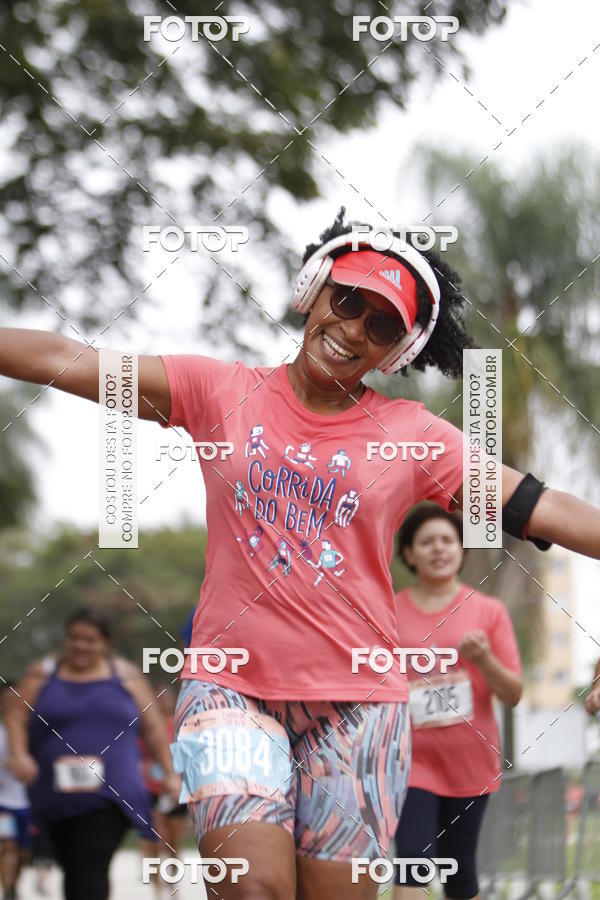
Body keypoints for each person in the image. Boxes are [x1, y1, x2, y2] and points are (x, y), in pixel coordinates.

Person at [0, 208, 598, 899]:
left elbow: (544, 509)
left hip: (360, 708)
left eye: (381, 325)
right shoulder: (219, 392)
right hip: (232, 691)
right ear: (314, 289)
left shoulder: (414, 435)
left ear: (396, 351)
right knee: (254, 887)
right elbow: (59, 359)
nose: (353, 329)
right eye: (347, 301)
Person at [4, 607, 180, 900]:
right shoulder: (41, 674)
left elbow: (152, 729)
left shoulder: (127, 676)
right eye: (74, 638)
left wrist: (170, 774)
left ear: (105, 643)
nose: (80, 646)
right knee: (73, 866)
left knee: (91, 861)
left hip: (112, 792)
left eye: (90, 640)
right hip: (54, 793)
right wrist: (20, 755)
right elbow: (15, 717)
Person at [393, 505, 522, 900]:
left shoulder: (488, 612)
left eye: (447, 540)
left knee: (459, 872)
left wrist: (483, 659)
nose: (438, 549)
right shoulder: (388, 611)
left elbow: (513, 693)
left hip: (470, 761)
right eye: (427, 541)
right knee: (412, 861)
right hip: (409, 761)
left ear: (461, 551)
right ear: (409, 553)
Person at [139, 684, 189, 899]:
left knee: (174, 845)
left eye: (166, 698)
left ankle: (174, 886)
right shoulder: (145, 728)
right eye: (158, 698)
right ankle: (157, 890)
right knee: (155, 842)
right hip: (151, 790)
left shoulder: (179, 726)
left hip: (175, 791)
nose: (162, 702)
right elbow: (135, 757)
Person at [0, 682, 32, 900]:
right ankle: (8, 892)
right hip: (2, 801)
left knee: (23, 853)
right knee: (7, 847)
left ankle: (14, 885)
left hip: (28, 802)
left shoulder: (31, 731)